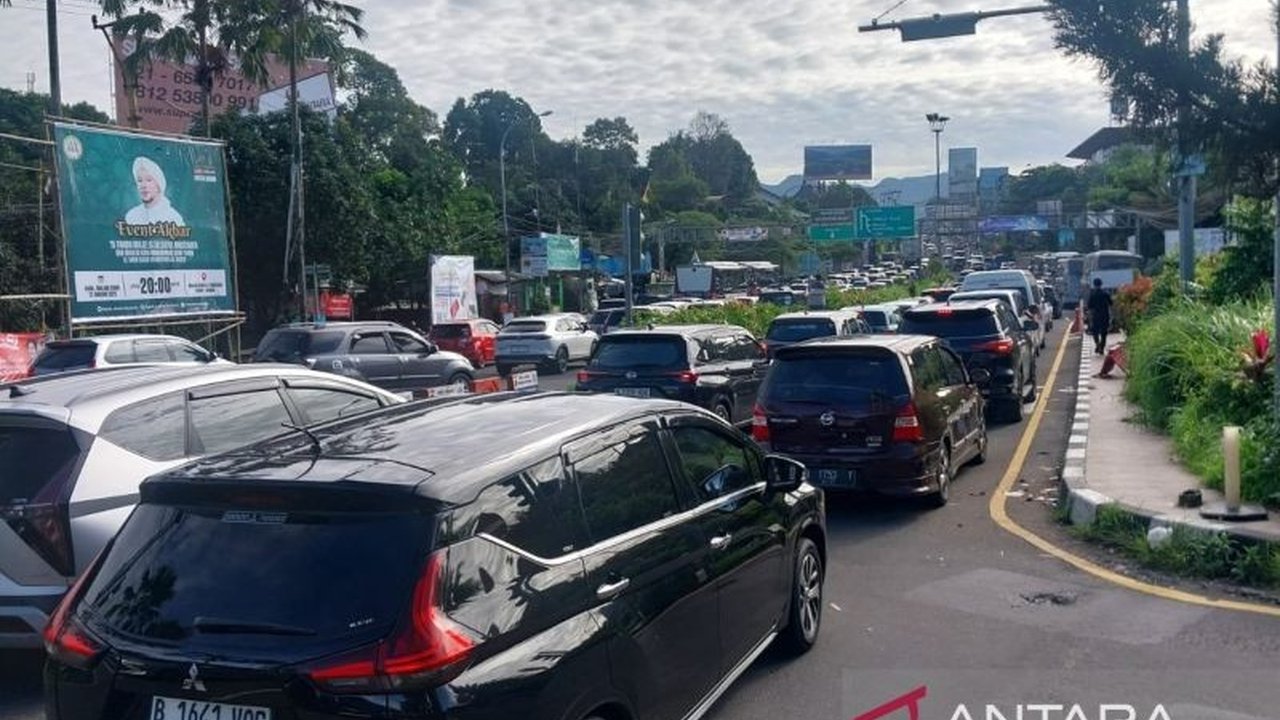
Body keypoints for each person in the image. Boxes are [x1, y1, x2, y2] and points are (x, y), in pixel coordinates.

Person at [124, 156, 185, 225]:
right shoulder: (132, 216)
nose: (143, 185)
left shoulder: (174, 218)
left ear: (159, 185)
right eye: (140, 180)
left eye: (149, 180)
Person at [1085, 277, 1112, 355]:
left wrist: (1089, 318)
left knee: (1095, 332)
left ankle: (1097, 344)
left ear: (1094, 285)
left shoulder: (1092, 295)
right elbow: (1111, 304)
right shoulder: (1105, 294)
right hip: (1105, 315)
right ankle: (1102, 348)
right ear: (1101, 284)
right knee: (1104, 333)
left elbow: (1089, 307)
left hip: (1095, 316)